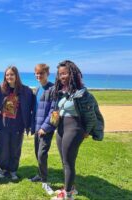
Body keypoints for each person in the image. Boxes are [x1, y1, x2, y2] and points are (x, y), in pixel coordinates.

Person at [51, 60, 103, 200]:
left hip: (74, 128)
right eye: (60, 74)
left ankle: (67, 195)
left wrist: (86, 131)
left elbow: (92, 116)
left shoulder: (82, 94)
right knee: (64, 161)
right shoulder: (62, 91)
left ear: (72, 74)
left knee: (68, 162)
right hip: (61, 128)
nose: (62, 76)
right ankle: (71, 188)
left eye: (65, 73)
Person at [0, 65, 34, 180]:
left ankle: (13, 170)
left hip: (18, 125)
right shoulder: (1, 88)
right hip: (3, 124)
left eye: (12, 74)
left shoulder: (25, 90)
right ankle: (3, 169)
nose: (9, 77)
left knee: (15, 148)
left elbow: (31, 107)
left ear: (16, 76)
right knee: (3, 148)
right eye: (7, 75)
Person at [30, 64, 56, 195]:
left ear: (47, 74)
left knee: (42, 154)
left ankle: (45, 181)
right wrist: (33, 127)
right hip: (37, 128)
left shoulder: (53, 89)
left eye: (42, 73)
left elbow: (54, 111)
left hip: (46, 130)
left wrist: (45, 128)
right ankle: (39, 175)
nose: (39, 76)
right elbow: (35, 109)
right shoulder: (38, 88)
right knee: (37, 153)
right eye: (37, 74)